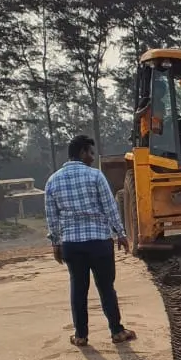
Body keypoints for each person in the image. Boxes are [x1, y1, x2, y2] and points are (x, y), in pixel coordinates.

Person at [44, 135, 137, 347]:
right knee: (106, 287)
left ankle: (80, 335)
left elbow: (52, 216)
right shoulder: (95, 176)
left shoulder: (53, 181)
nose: (93, 158)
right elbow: (110, 207)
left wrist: (56, 243)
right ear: (82, 152)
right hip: (99, 242)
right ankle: (117, 331)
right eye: (91, 153)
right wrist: (121, 233)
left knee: (78, 288)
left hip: (71, 245)